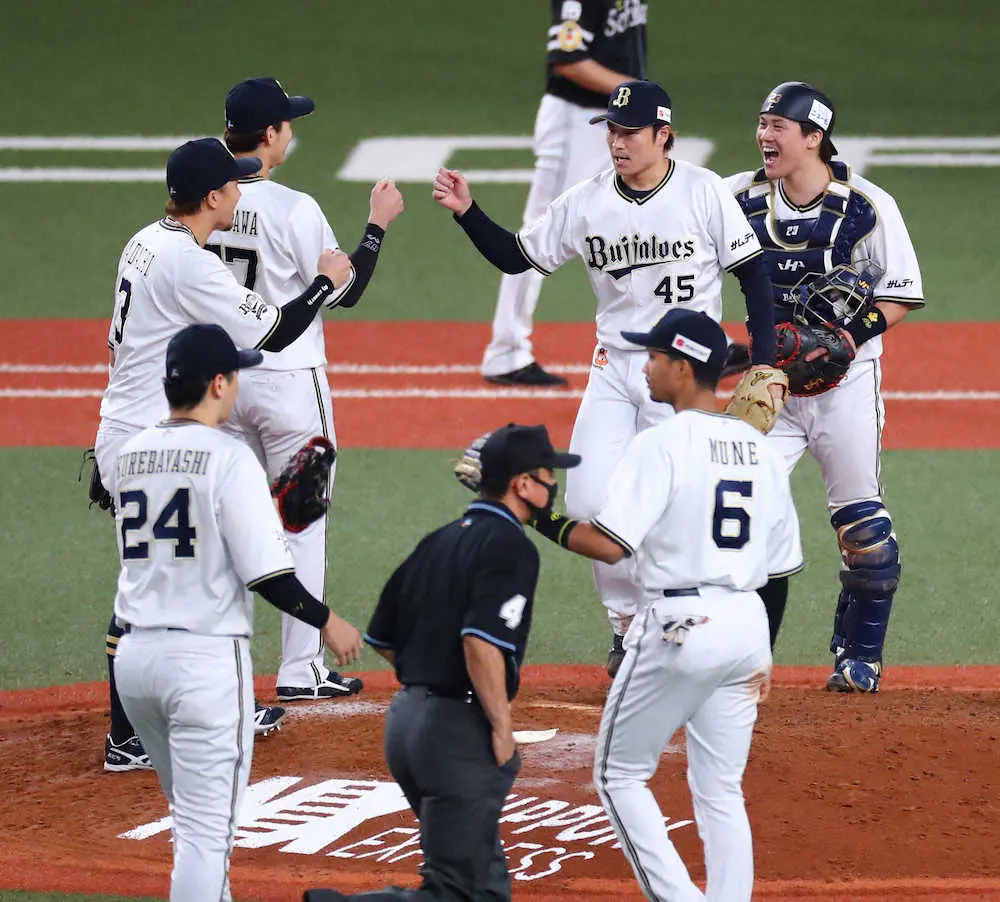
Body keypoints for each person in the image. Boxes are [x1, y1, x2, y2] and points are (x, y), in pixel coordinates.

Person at [433, 78, 781, 679]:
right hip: (616, 369)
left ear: (663, 135)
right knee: (594, 501)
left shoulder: (703, 192)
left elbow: (754, 276)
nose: (618, 144)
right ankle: (626, 630)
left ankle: (690, 629)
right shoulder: (586, 201)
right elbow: (519, 256)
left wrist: (769, 359)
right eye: (612, 133)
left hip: (684, 375)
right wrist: (468, 212)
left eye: (630, 133)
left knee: (686, 506)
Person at [525, 308, 802, 901]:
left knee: (618, 774)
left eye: (652, 356)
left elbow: (608, 544)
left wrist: (540, 517)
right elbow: (781, 570)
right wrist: (764, 655)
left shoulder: (661, 443)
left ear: (681, 367)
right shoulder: (762, 451)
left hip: (681, 624)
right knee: (721, 789)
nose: (644, 365)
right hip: (748, 628)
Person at [97, 136, 354, 771]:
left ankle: (164, 716)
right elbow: (273, 331)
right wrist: (326, 281)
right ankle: (132, 733)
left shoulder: (145, 239)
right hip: (148, 443)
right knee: (168, 574)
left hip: (125, 428)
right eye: (234, 183)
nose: (242, 189)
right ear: (211, 197)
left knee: (172, 568)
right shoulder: (188, 262)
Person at [112, 323, 362, 902]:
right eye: (236, 376)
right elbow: (269, 576)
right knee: (205, 836)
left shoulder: (129, 454)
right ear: (218, 383)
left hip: (134, 662)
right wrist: (328, 621)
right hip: (201, 665)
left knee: (191, 823)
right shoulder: (228, 457)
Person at [303, 424, 581, 902]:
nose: (554, 484)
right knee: (456, 892)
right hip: (455, 733)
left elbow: (383, 636)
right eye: (547, 475)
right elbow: (481, 642)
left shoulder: (440, 539)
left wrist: (428, 675)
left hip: (407, 723)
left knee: (484, 884)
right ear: (522, 484)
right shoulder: (511, 547)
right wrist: (499, 725)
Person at [209, 76, 404, 703]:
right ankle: (299, 667)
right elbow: (344, 290)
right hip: (291, 385)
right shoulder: (294, 207)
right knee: (301, 523)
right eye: (287, 124)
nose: (291, 132)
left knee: (226, 523)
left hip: (222, 385)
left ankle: (222, 669)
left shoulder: (202, 199)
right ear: (270, 135)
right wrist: (375, 226)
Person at [726, 82, 924, 692]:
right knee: (732, 510)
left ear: (813, 138)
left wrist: (841, 341)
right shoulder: (734, 198)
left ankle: (858, 657)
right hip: (769, 385)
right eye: (762, 124)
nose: (765, 136)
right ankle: (725, 654)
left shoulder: (866, 204)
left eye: (778, 127)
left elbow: (901, 292)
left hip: (846, 387)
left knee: (865, 532)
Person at [481, 0, 650, 387]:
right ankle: (505, 352)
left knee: (642, 222)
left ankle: (676, 337)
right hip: (578, 119)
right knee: (542, 231)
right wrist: (639, 92)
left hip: (617, 119)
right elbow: (569, 58)